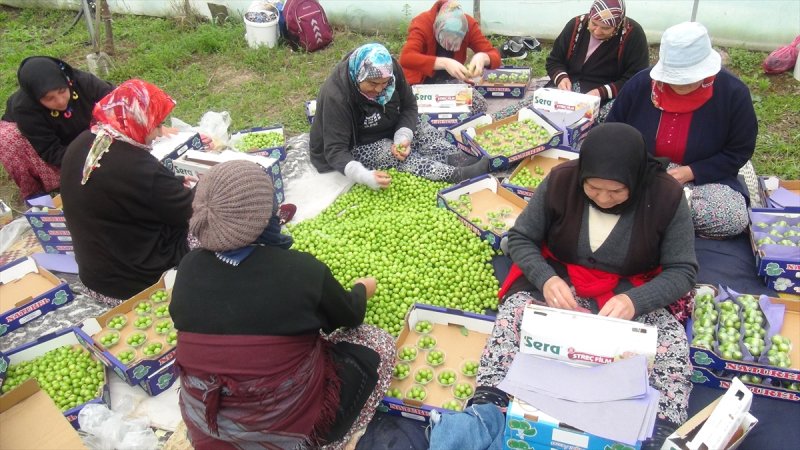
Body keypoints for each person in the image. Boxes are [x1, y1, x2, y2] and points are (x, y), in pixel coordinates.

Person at [475, 123, 697, 449]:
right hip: (564, 281)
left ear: (636, 179)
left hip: (627, 291)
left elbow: (683, 270)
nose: (604, 199)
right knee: (512, 317)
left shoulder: (666, 197)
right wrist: (545, 279)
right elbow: (521, 238)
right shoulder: (562, 181)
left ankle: (657, 432)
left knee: (671, 343)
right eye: (593, 188)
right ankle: (488, 411)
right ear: (583, 175)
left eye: (617, 191)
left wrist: (635, 301)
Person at [170, 160, 395, 450]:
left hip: (207, 426)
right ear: (266, 217)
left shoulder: (188, 268)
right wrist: (362, 289)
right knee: (379, 344)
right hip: (285, 431)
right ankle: (327, 442)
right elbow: (350, 317)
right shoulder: (300, 271)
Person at [607, 21, 757, 239]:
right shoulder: (640, 85)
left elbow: (739, 151)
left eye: (688, 79)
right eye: (674, 77)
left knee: (732, 217)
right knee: (599, 190)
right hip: (641, 172)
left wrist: (690, 172)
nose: (680, 85)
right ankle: (659, 216)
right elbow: (613, 131)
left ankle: (644, 215)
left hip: (701, 182)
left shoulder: (733, 93)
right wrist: (639, 169)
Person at [60, 79, 194, 306]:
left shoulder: (82, 143)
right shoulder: (140, 168)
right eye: (157, 124)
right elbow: (191, 210)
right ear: (138, 121)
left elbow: (122, 191)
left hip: (94, 279)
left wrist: (170, 184)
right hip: (136, 285)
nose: (159, 133)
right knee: (213, 222)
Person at [310, 43, 489, 189]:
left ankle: (454, 157)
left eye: (384, 83)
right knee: (390, 154)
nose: (379, 89)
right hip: (354, 144)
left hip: (386, 124)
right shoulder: (338, 96)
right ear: (358, 76)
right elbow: (334, 150)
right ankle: (451, 175)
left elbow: (409, 106)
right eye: (372, 84)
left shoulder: (391, 71)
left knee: (421, 127)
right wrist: (362, 175)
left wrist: (402, 136)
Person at [0, 56, 113, 199]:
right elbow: (50, 151)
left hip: (87, 134)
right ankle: (38, 196)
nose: (60, 101)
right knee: (6, 138)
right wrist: (91, 160)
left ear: (67, 82)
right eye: (49, 98)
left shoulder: (83, 82)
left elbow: (116, 101)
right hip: (44, 147)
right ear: (36, 98)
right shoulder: (25, 108)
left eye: (62, 91)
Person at [545, 0, 648, 121]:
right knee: (541, 112)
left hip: (609, 94)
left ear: (618, 25)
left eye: (606, 28)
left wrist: (601, 92)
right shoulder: (576, 25)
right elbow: (554, 60)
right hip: (570, 87)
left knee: (600, 124)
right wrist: (561, 78)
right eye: (593, 23)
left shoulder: (633, 35)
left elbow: (636, 79)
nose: (597, 31)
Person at [399, 0, 501, 115]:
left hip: (450, 83)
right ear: (436, 26)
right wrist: (444, 63)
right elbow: (406, 58)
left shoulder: (468, 25)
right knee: (418, 113)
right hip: (421, 85)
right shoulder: (423, 23)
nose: (451, 43)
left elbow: (495, 57)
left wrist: (483, 57)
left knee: (477, 106)